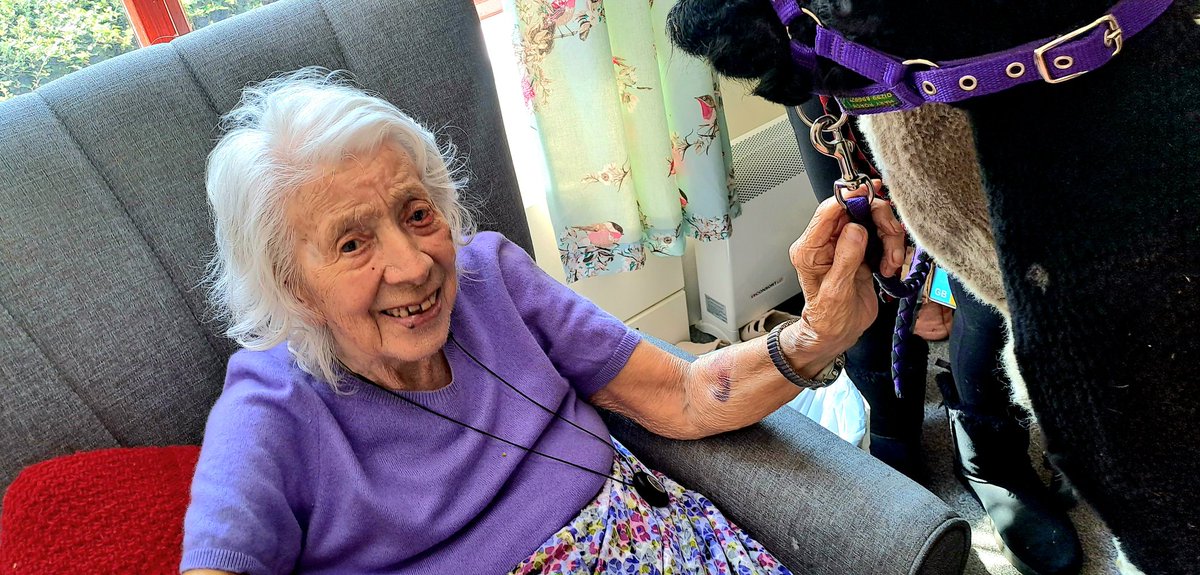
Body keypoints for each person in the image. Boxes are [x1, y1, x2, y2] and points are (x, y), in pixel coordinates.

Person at [180, 68, 906, 575]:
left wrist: (816, 335)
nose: (413, 266)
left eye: (417, 213)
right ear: (289, 283)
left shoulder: (491, 275)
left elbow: (680, 395)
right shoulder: (269, 404)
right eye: (352, 242)